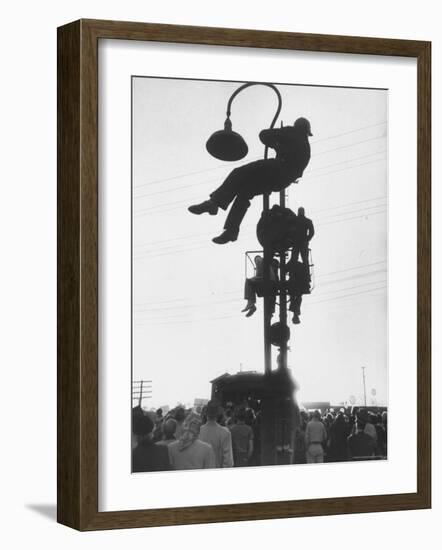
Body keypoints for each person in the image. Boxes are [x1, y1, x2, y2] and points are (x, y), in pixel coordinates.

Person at [188, 118, 312, 244]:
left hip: (278, 168)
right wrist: (280, 145)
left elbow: (264, 135)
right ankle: (231, 230)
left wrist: (277, 142)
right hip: (280, 181)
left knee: (239, 173)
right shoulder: (305, 148)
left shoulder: (293, 133)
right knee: (245, 193)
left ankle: (214, 203)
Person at [199, 400, 234, 468]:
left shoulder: (198, 431)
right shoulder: (225, 432)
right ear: (218, 413)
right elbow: (228, 461)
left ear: (205, 413)